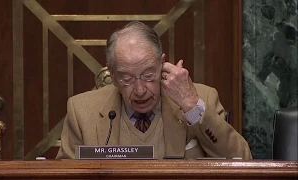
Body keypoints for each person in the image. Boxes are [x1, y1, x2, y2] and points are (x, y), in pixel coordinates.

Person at [56, 21, 252, 159]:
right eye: (127, 78)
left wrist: (191, 105)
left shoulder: (202, 98)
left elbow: (240, 159)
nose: (140, 89)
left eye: (149, 75)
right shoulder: (81, 111)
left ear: (162, 64)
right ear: (113, 75)